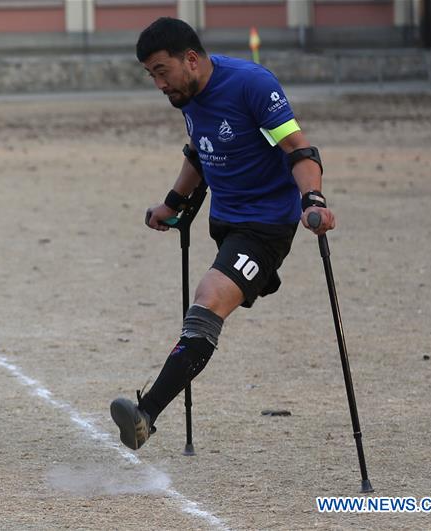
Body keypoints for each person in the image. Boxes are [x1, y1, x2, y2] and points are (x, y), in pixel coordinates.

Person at [110, 18, 335, 450]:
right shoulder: (188, 96)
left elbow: (298, 148)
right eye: (151, 75)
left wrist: (313, 200)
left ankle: (146, 416)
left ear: (191, 59)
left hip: (265, 225)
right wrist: (172, 204)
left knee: (208, 299)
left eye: (162, 71)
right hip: (225, 222)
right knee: (212, 297)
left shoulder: (252, 86)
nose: (159, 84)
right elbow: (199, 152)